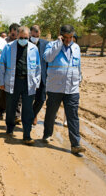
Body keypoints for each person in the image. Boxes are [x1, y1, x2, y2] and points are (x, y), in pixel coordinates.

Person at [42, 25, 86, 154]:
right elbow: (47, 58)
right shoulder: (52, 45)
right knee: (51, 113)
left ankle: (75, 144)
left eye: (71, 37)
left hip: (72, 88)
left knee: (72, 116)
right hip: (55, 87)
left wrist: (79, 78)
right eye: (65, 37)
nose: (68, 40)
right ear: (60, 35)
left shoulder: (76, 47)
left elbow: (78, 65)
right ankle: (47, 134)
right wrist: (58, 44)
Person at [0, 26, 41, 145]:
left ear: (29, 37)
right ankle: (10, 128)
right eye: (21, 37)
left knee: (27, 110)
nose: (23, 40)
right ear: (17, 36)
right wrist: (1, 82)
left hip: (28, 82)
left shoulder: (33, 48)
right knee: (11, 107)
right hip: (13, 81)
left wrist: (37, 82)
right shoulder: (8, 47)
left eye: (26, 38)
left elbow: (38, 67)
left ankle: (27, 135)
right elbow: (2, 65)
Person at [0, 23, 21, 121]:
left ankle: (17, 115)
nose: (15, 37)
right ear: (9, 33)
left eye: (17, 35)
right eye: (13, 34)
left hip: (18, 73)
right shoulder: (4, 43)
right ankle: (2, 110)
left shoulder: (22, 43)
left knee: (19, 95)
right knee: (4, 94)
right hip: (6, 72)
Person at [29, 25, 49, 126]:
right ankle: (28, 117)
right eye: (33, 35)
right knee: (28, 99)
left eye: (37, 35)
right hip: (28, 77)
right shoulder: (25, 42)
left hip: (42, 77)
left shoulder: (46, 44)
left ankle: (33, 114)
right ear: (30, 33)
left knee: (41, 99)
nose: (35, 37)